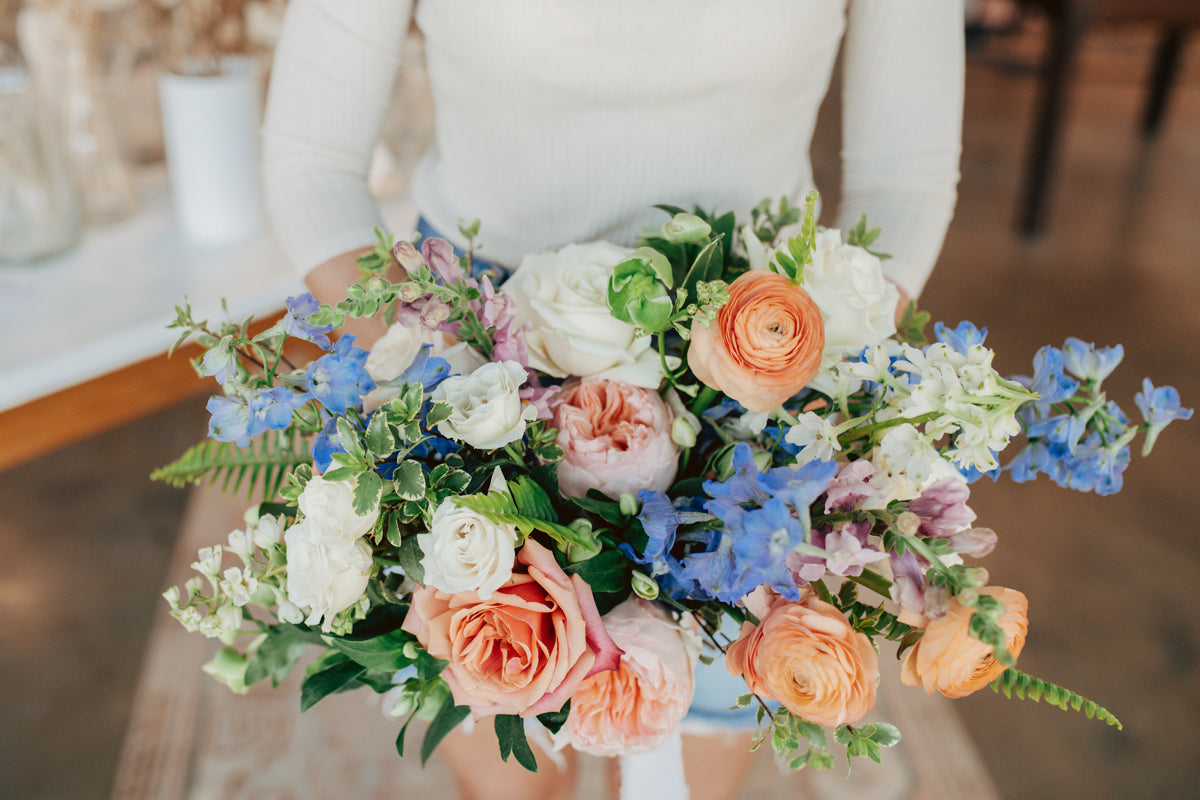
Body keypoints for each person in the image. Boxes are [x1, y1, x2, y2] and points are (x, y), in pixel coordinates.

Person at [260, 2, 964, 799]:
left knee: (686, 768)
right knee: (510, 769)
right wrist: (446, 380)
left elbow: (902, 178)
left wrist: (800, 382)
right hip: (471, 366)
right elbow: (310, 163)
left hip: (754, 403)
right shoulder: (458, 378)